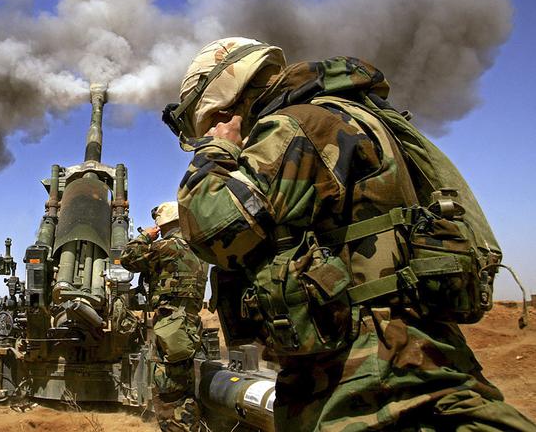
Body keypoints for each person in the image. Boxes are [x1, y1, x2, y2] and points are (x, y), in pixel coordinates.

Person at [164, 36, 535, 431]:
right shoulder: (345, 114)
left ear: (224, 97)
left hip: (365, 381)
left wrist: (213, 153)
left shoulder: (298, 124)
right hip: (407, 358)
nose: (209, 131)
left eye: (205, 122)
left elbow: (215, 228)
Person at [120, 202, 207, 432]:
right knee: (184, 386)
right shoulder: (199, 249)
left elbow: (128, 258)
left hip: (170, 326)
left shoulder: (166, 247)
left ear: (163, 225)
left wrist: (146, 237)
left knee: (168, 391)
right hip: (188, 324)